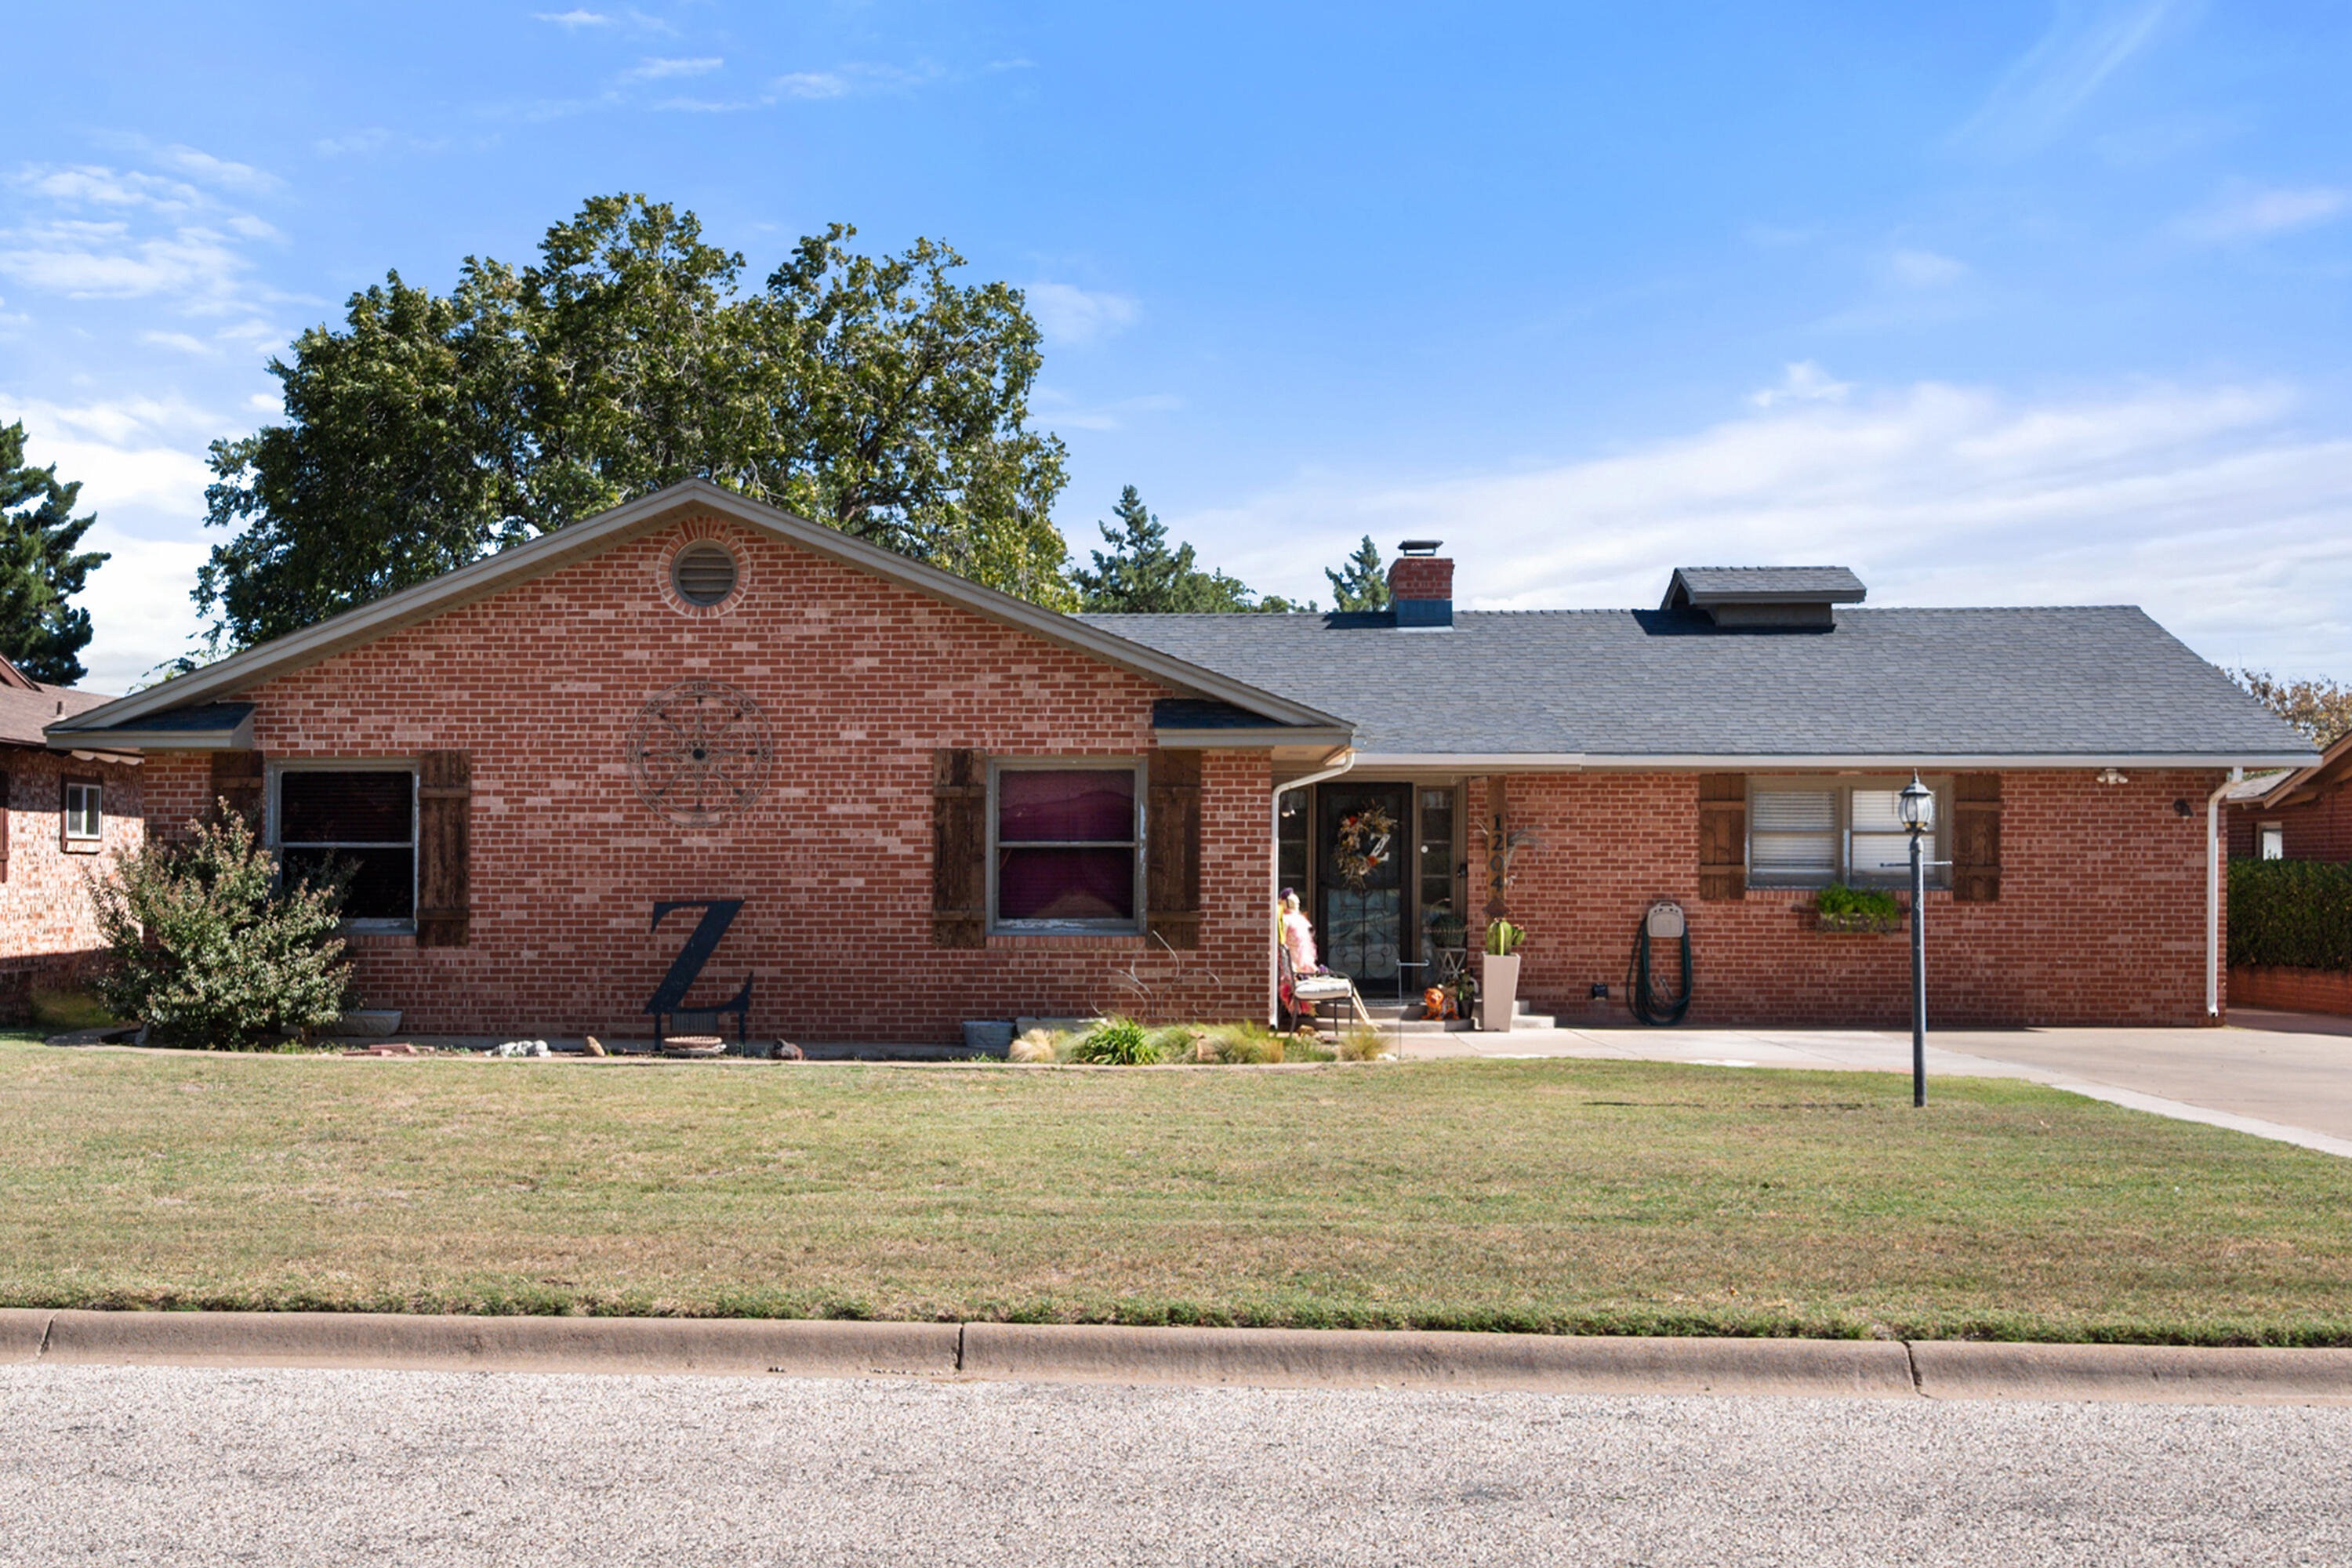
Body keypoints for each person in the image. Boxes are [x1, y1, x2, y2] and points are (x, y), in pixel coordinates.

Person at [1279, 888, 1323, 974]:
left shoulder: (1298, 919)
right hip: (1291, 961)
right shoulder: (1286, 919)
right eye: (1294, 903)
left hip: (1300, 959)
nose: (1297, 906)